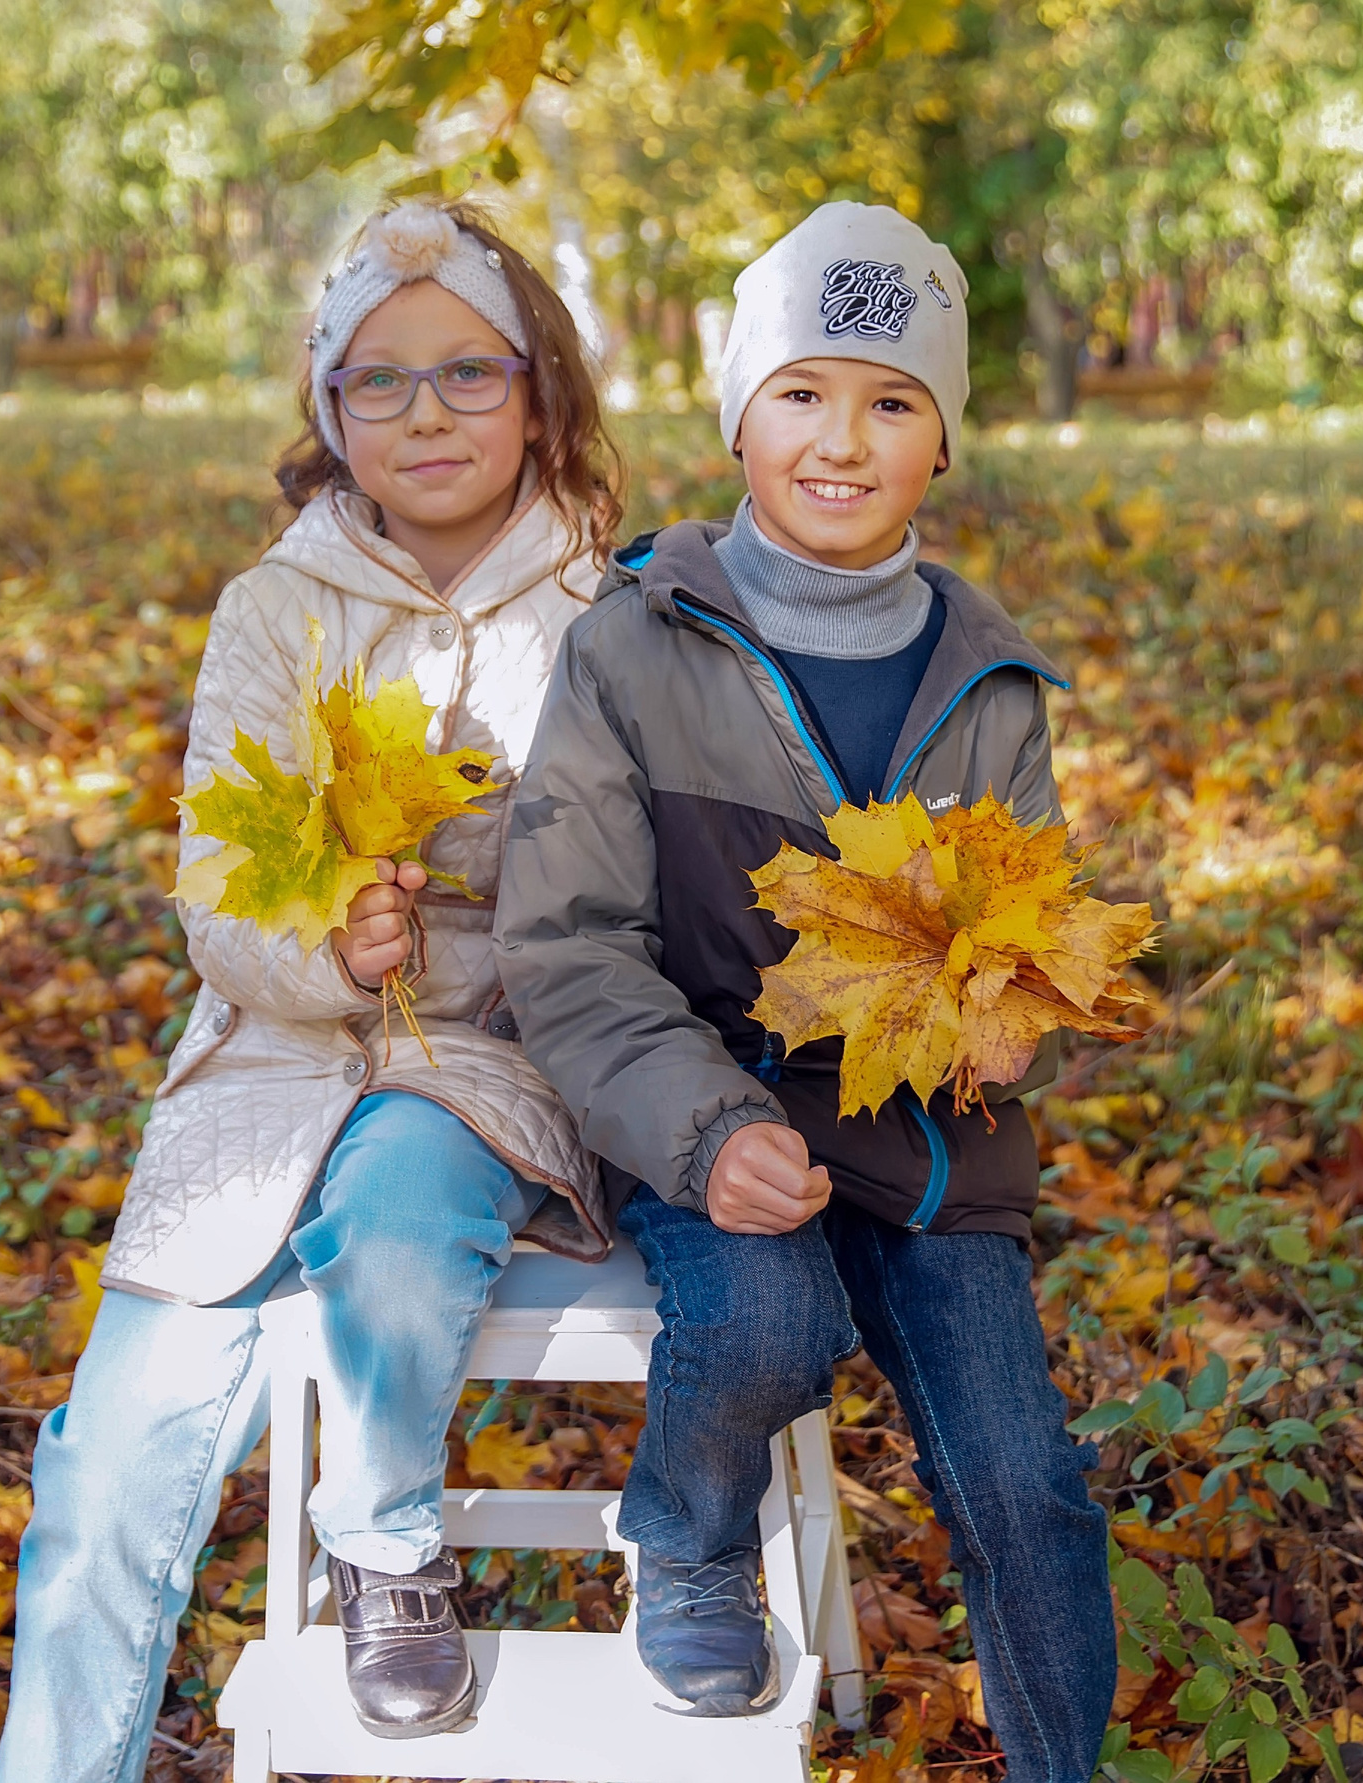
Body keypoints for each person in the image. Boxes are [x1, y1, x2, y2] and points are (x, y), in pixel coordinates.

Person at [0, 201, 623, 1779]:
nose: (425, 415)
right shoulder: (275, 609)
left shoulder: (611, 621)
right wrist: (324, 949)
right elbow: (223, 884)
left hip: (481, 1063)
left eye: (468, 375)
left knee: (400, 1221)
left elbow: (626, 905)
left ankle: (386, 1537)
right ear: (328, 411)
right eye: (377, 382)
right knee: (100, 1478)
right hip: (266, 1074)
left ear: (540, 387)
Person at [494, 201, 1117, 1782]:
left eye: (895, 402)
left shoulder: (990, 682)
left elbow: (1022, 963)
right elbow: (566, 945)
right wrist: (704, 1131)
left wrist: (999, 1013)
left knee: (1026, 1490)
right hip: (713, 1106)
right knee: (770, 1316)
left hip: (923, 1145)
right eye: (803, 393)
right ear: (739, 415)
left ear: (944, 443)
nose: (843, 440)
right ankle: (690, 1533)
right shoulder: (632, 650)